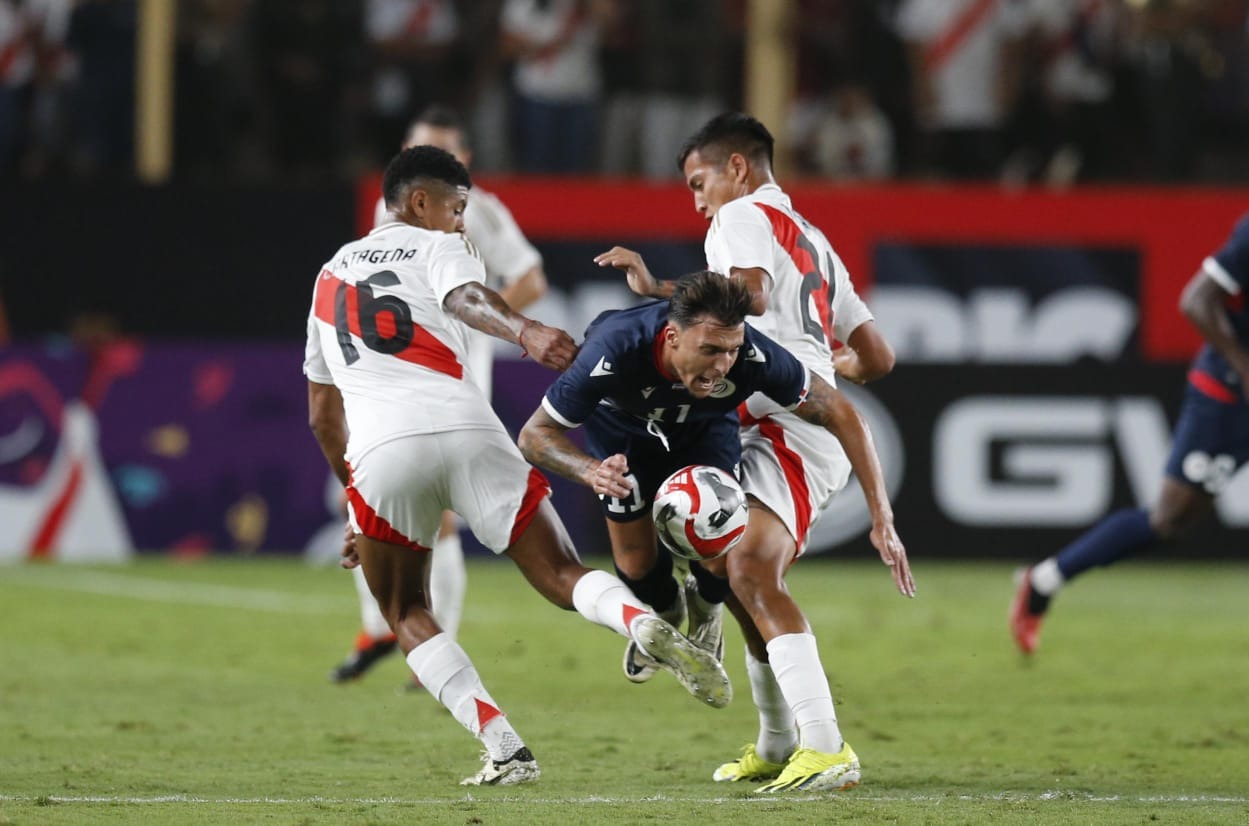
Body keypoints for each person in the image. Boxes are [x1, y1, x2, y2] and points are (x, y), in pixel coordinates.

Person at [304, 145, 730, 785]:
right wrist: (526, 331)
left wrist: (356, 497)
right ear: (420, 203)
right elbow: (468, 296)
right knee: (561, 571)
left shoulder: (328, 276)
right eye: (456, 208)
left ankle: (504, 747)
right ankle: (640, 621)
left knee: (407, 611)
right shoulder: (435, 244)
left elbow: (322, 415)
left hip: (382, 453)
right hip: (468, 425)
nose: (460, 222)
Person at [593, 112, 912, 793]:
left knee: (750, 571)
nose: (696, 199)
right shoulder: (816, 241)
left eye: (698, 180)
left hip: (793, 426)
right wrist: (826, 359)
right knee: (738, 576)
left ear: (736, 168)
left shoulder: (738, 217)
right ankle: (775, 743)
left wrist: (658, 291)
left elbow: (752, 294)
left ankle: (825, 749)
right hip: (773, 419)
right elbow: (878, 357)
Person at [520, 269, 914, 794]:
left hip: (703, 439)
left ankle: (708, 612)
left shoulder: (752, 356)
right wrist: (589, 469)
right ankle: (671, 611)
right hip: (623, 443)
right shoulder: (613, 350)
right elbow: (534, 435)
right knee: (637, 570)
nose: (722, 364)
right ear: (671, 336)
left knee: (728, 557)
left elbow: (842, 412)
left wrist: (882, 518)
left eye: (730, 349)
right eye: (710, 350)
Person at [330, 104, 548, 684]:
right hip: (386, 376)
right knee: (366, 501)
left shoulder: (481, 213)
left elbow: (531, 275)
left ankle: (431, 644)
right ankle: (384, 629)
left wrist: (477, 319)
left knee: (438, 515)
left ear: (465, 162)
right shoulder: (389, 211)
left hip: (449, 376)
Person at [1010, 212, 1249, 654]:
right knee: (1170, 518)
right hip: (1230, 396)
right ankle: (1043, 580)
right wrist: (1243, 366)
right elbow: (1195, 301)